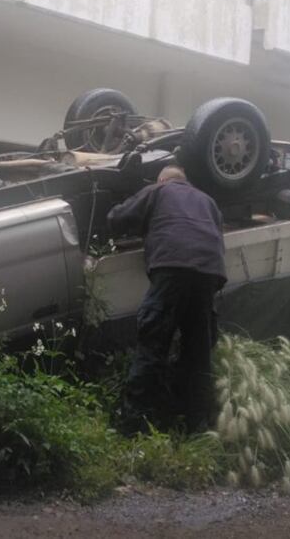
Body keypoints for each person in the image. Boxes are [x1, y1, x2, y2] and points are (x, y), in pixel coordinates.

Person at [107, 164, 227, 433]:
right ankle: (196, 426)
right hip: (209, 273)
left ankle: (132, 424)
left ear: (163, 180)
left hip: (172, 266)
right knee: (198, 353)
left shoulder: (158, 191)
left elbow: (117, 218)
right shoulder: (208, 201)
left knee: (152, 344)